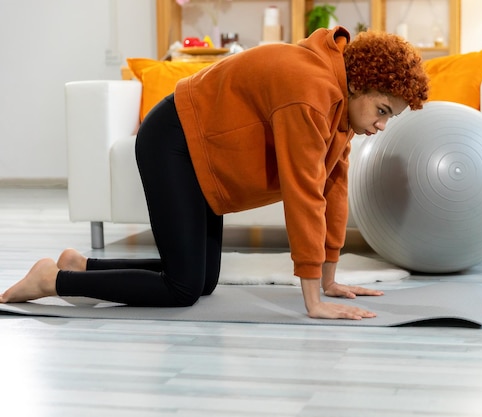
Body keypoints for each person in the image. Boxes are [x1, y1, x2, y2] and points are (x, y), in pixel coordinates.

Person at [0, 27, 429, 320]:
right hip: (174, 141)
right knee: (182, 289)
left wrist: (331, 280)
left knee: (203, 281)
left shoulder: (338, 108)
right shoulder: (312, 92)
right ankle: (52, 281)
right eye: (382, 111)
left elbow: (333, 185)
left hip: (202, 150)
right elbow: (304, 193)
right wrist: (313, 299)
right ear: (359, 84)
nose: (380, 126)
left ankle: (83, 265)